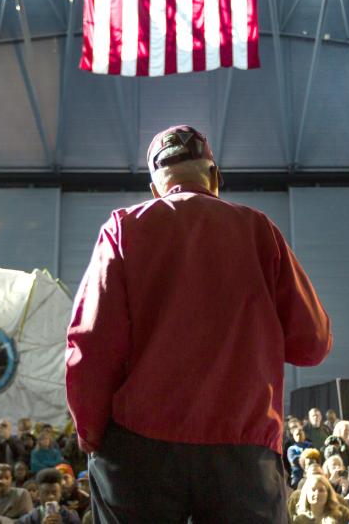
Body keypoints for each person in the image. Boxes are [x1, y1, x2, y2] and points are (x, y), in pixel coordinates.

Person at [65, 125, 332, 523]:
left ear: (156, 188)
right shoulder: (259, 231)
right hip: (243, 452)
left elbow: (89, 347)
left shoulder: (122, 229)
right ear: (215, 178)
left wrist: (91, 436)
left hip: (139, 449)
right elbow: (313, 344)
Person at [16, 469, 80, 524]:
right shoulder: (26, 520)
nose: (51, 497)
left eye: (54, 493)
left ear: (60, 494)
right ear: (38, 494)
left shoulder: (71, 517)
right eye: (46, 493)